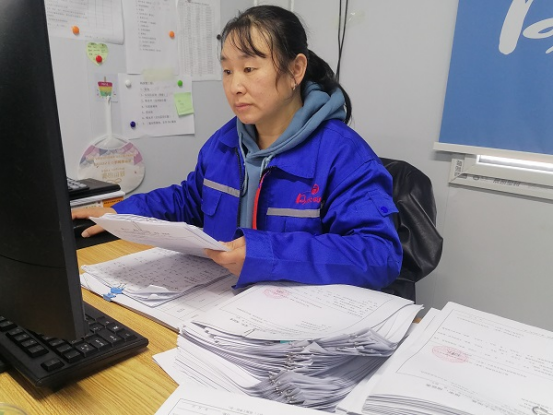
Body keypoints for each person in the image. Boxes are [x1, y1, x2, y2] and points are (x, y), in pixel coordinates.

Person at [73, 5, 403, 290]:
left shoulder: (343, 154)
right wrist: (123, 213)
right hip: (220, 302)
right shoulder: (224, 142)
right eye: (227, 71)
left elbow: (379, 254)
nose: (235, 86)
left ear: (296, 70)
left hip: (296, 313)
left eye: (248, 69)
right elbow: (189, 199)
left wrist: (266, 254)